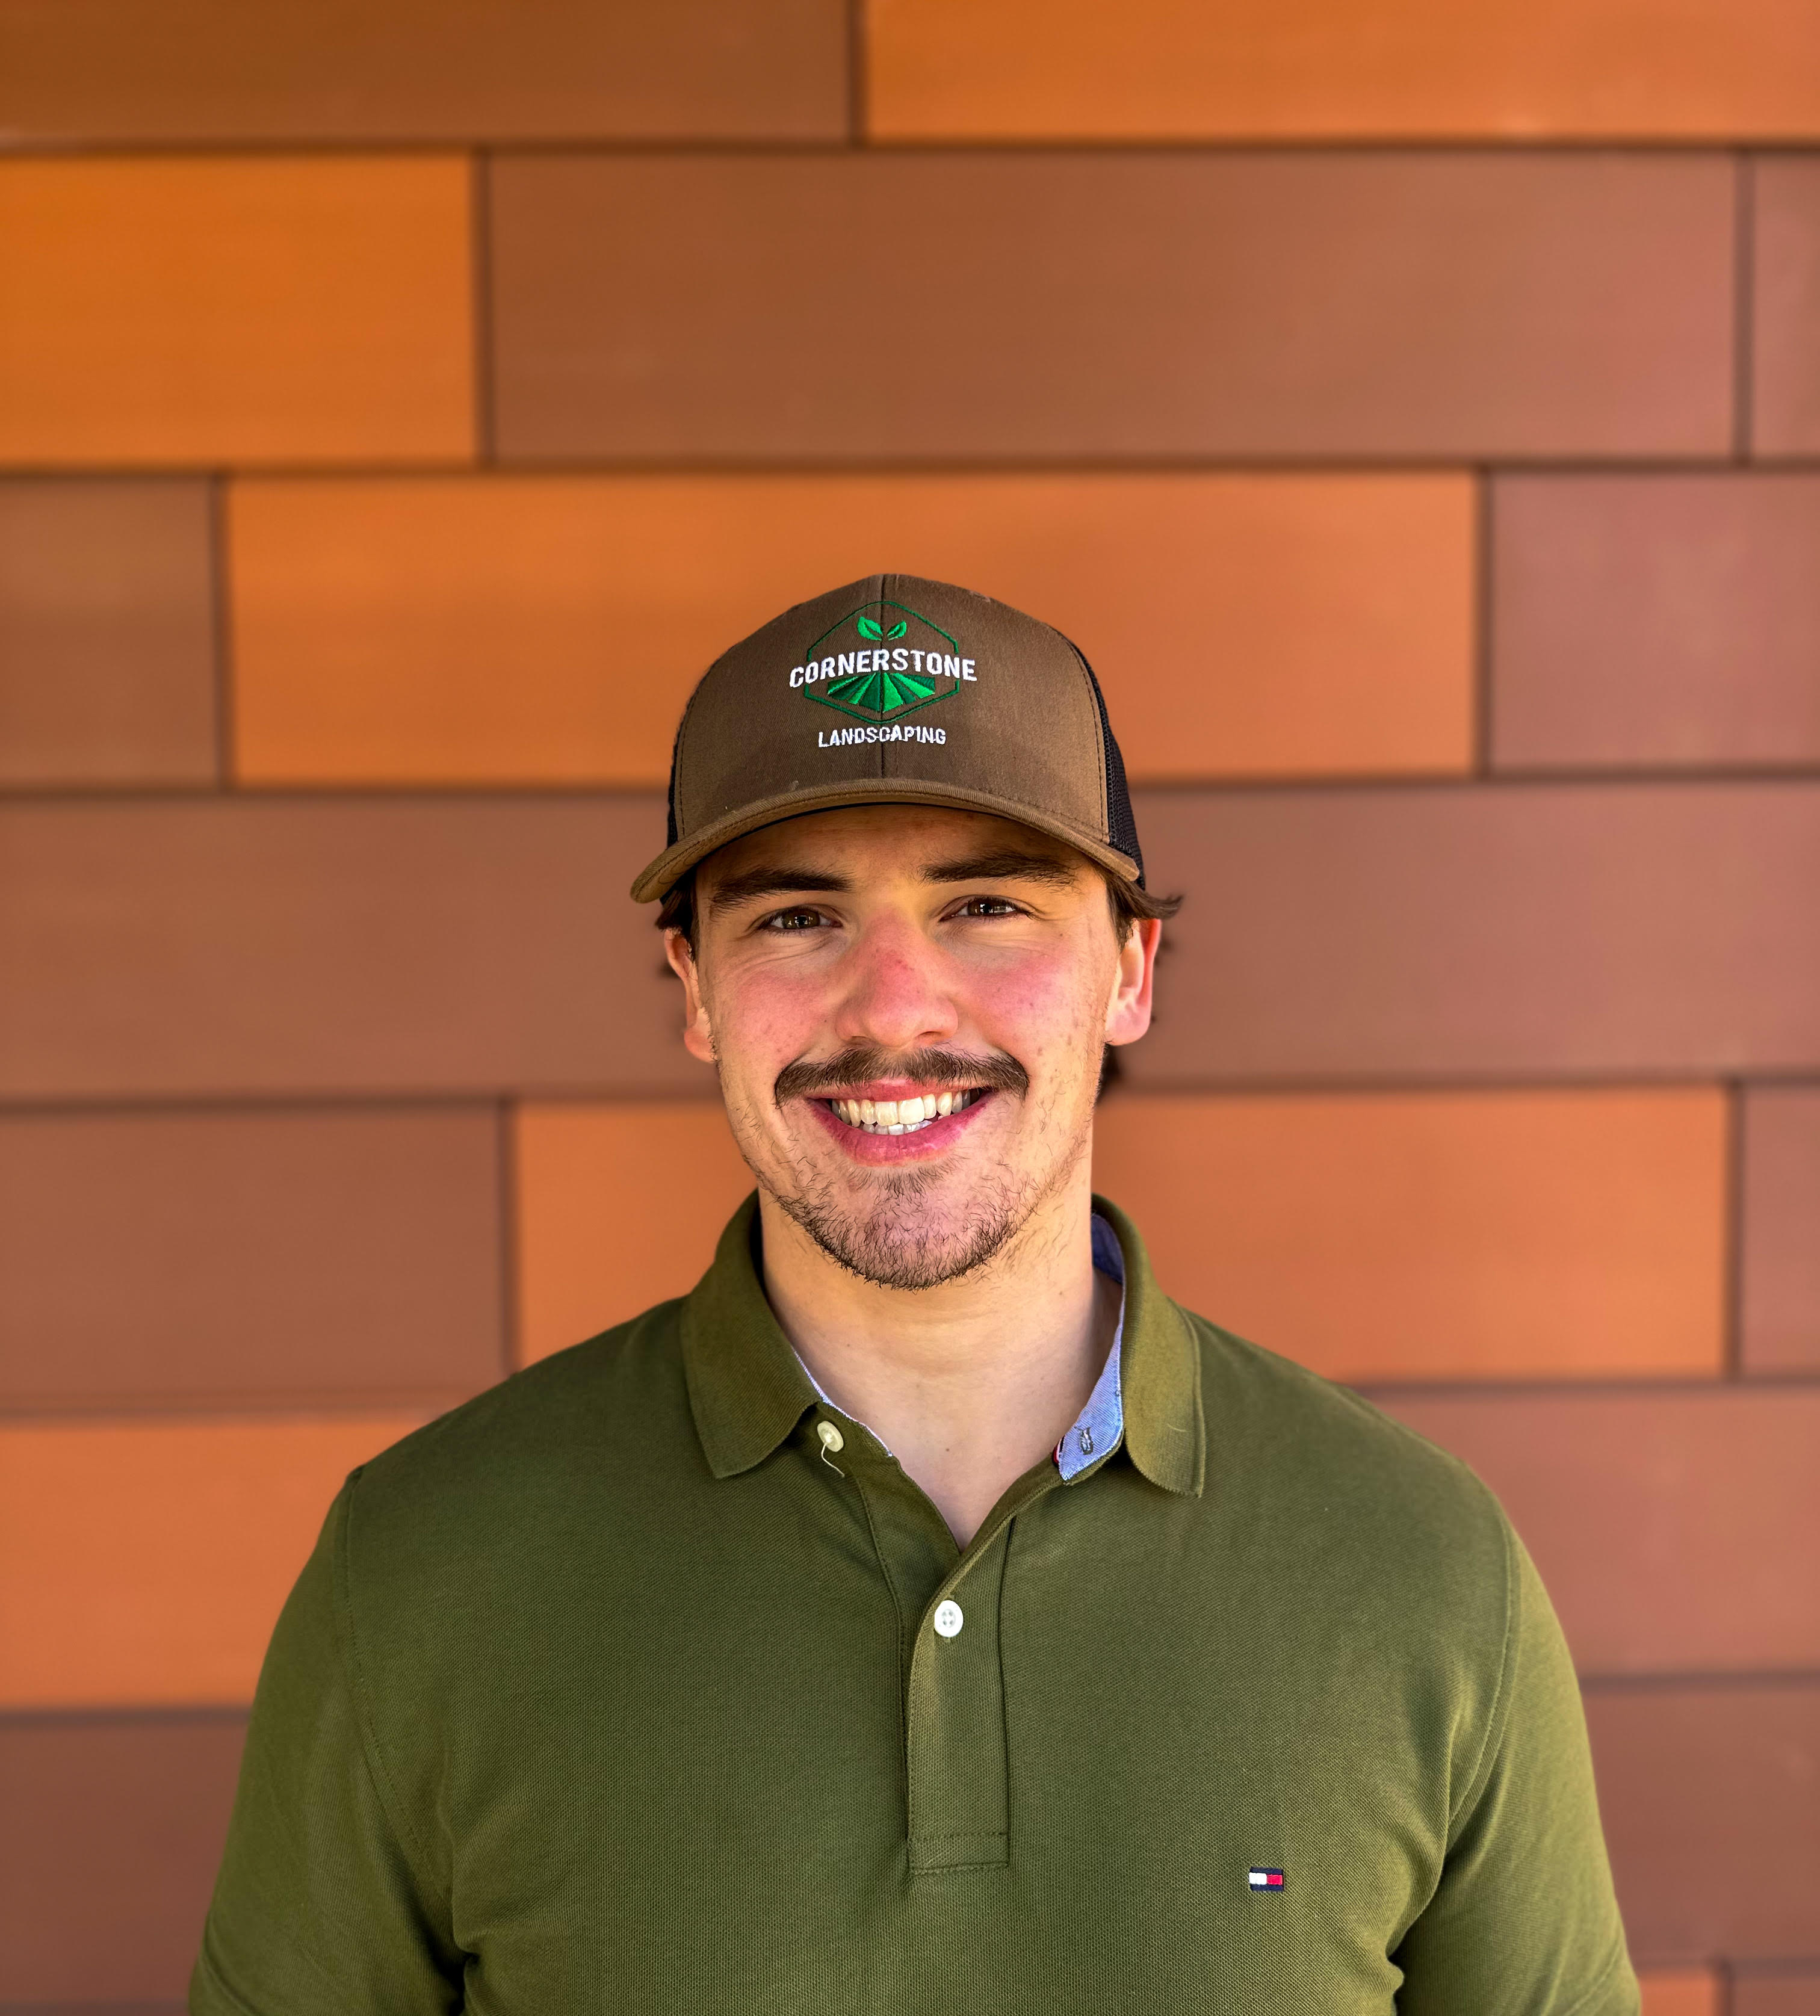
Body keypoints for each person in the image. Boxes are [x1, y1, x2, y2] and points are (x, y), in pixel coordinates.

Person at [193, 575, 1639, 2014]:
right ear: (694, 987)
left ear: (1129, 969)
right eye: (796, 920)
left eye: (988, 905)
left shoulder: (1422, 1571)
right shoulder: (421, 1573)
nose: (892, 1008)